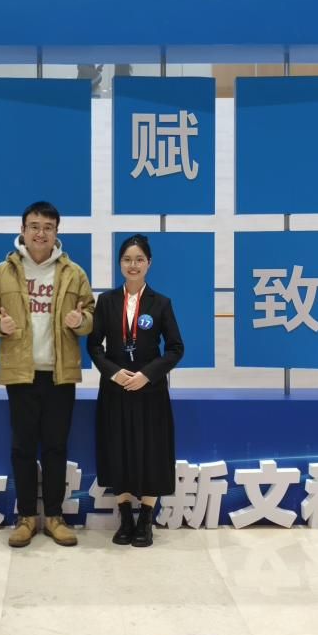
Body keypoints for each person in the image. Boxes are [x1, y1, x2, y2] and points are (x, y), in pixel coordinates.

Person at [0, 200, 95, 548]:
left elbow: (90, 314)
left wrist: (81, 321)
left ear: (56, 232)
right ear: (23, 230)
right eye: (34, 226)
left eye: (48, 227)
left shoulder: (74, 272)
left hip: (60, 374)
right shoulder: (3, 272)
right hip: (21, 374)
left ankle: (55, 517)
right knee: (23, 447)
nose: (40, 233)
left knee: (56, 447)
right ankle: (26, 517)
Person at [87, 234, 183, 548]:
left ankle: (146, 520)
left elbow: (175, 348)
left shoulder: (161, 303)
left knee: (152, 451)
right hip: (115, 390)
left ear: (149, 263)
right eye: (127, 259)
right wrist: (114, 374)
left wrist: (147, 375)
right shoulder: (106, 301)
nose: (133, 265)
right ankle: (126, 517)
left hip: (149, 391)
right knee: (119, 450)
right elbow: (94, 346)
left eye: (139, 259)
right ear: (119, 264)